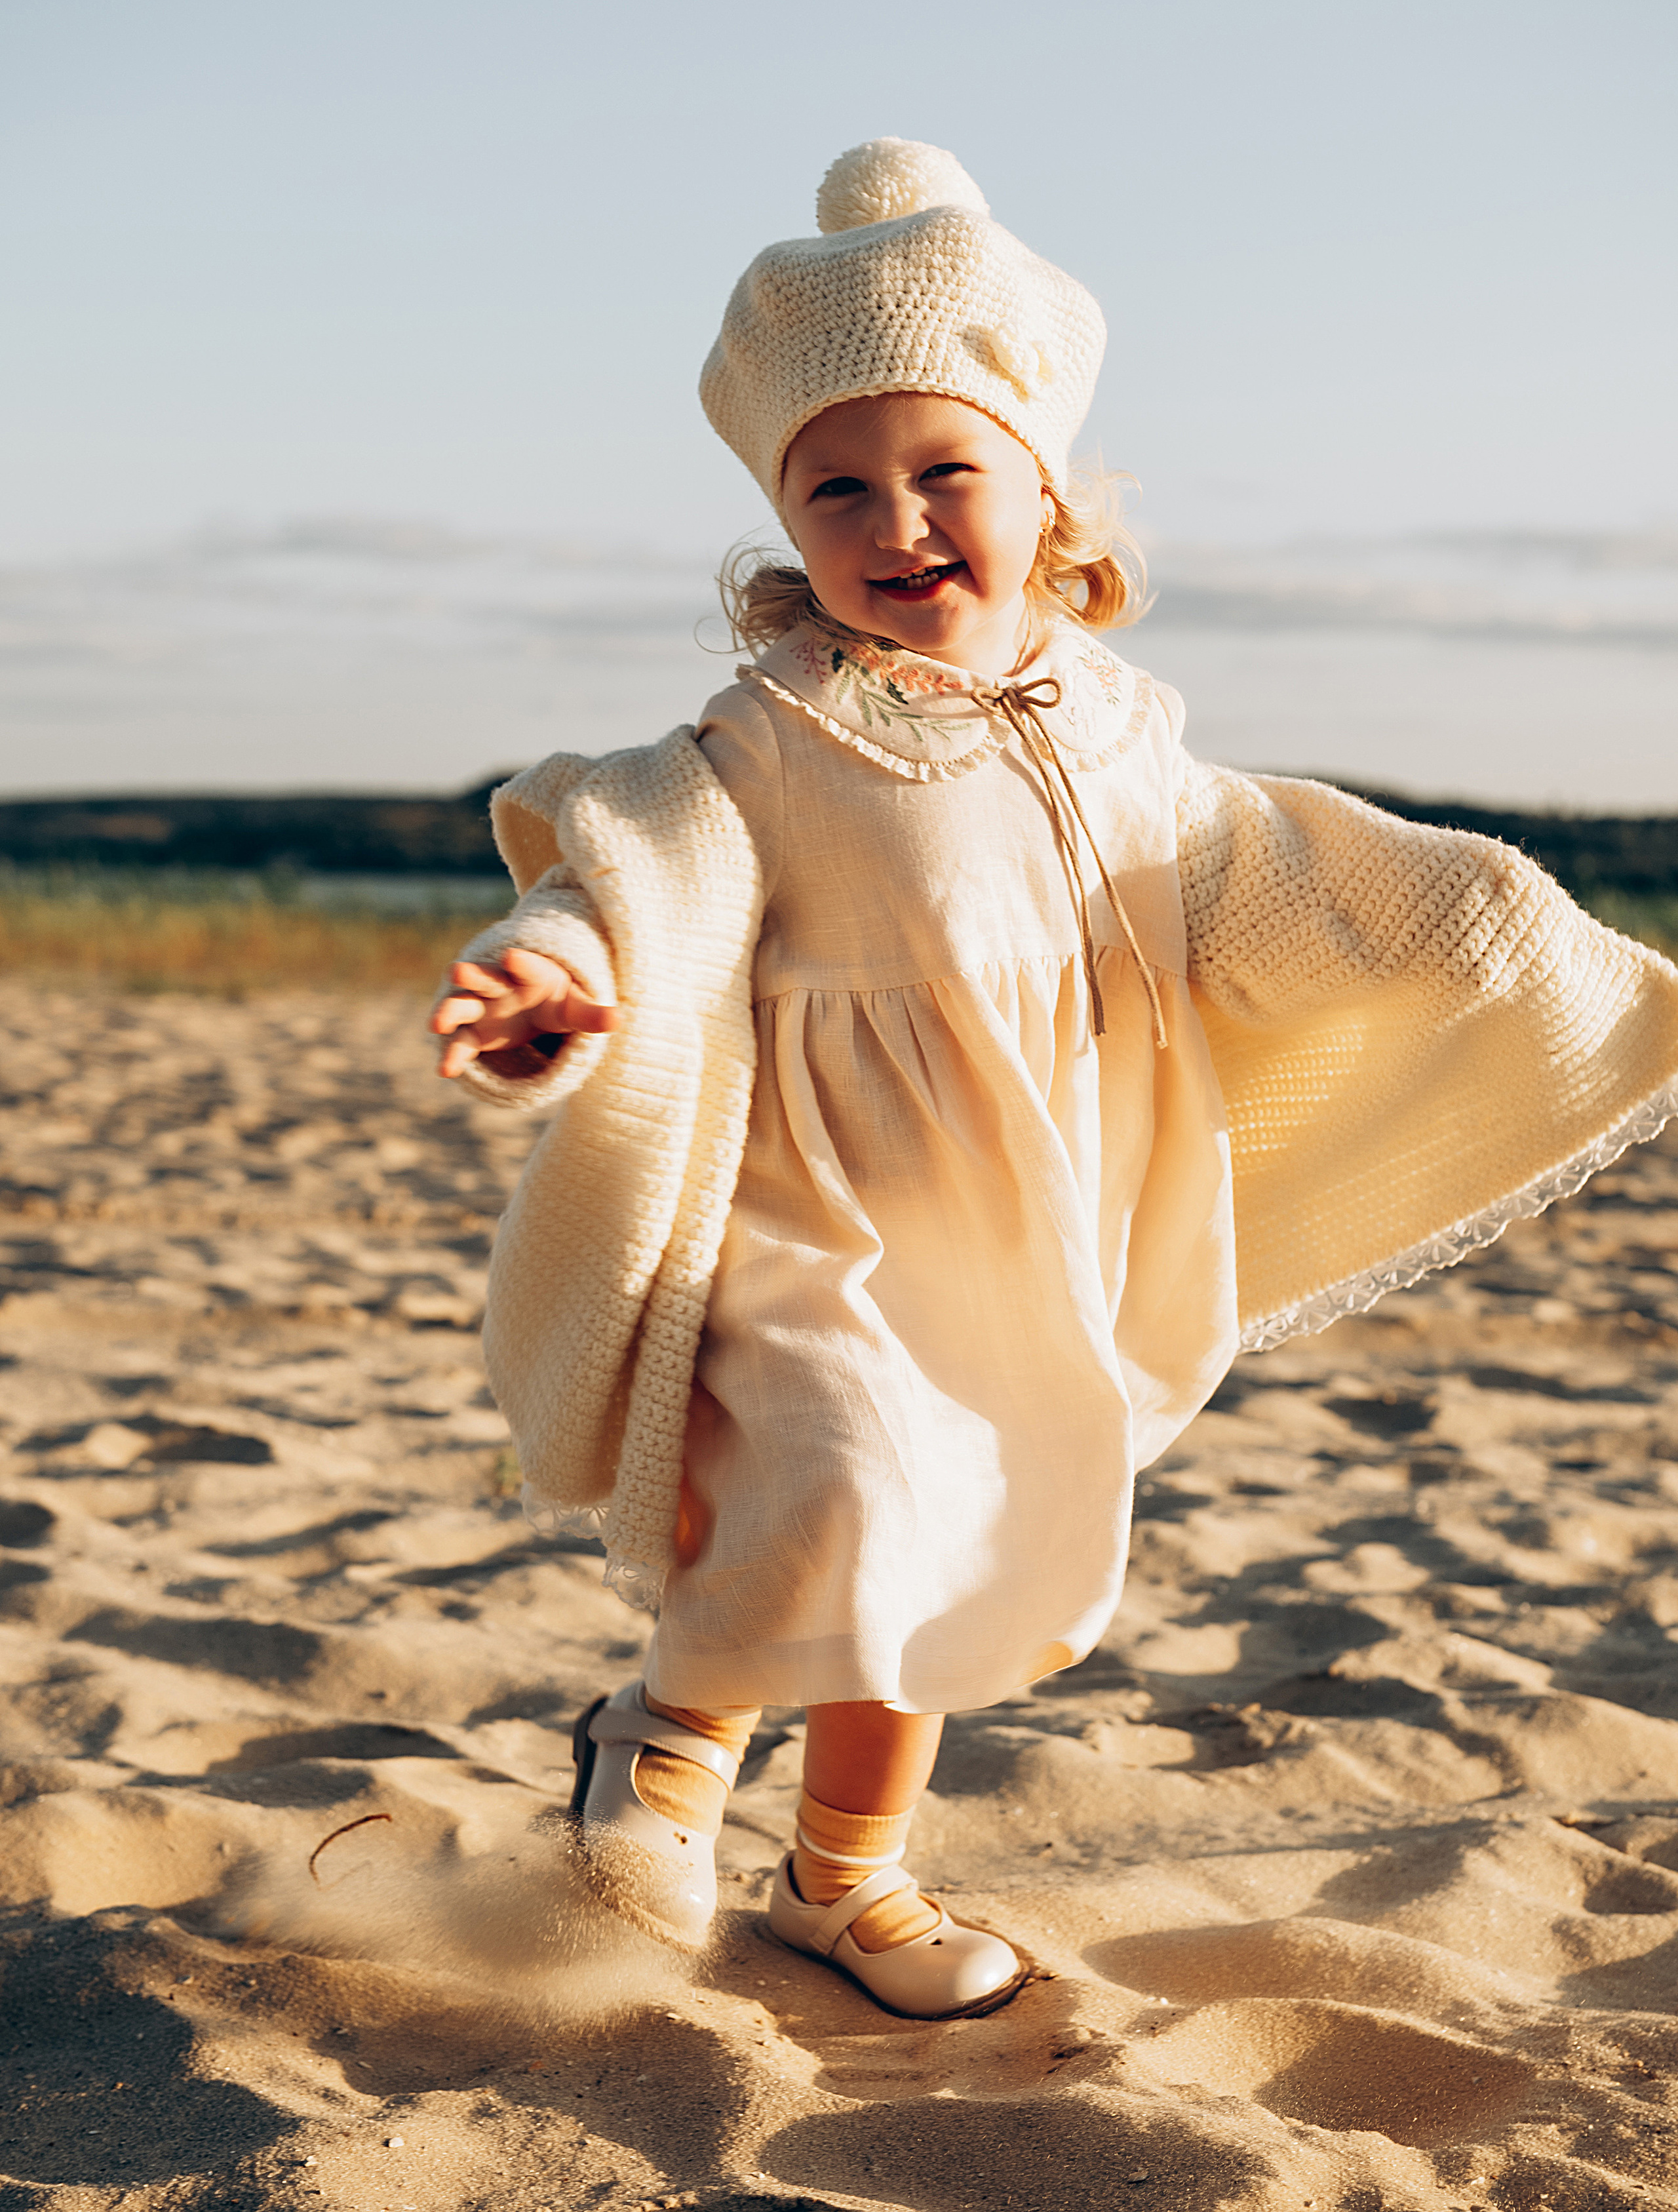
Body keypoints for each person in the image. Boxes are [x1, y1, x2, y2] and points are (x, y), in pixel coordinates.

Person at [429, 138, 1678, 2021]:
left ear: (1044, 487)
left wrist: (1504, 931)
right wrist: (562, 968)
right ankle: (666, 1743)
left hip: (1038, 1211)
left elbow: (1271, 876)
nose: (896, 518)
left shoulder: (1119, 723)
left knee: (944, 1538)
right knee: (839, 1476)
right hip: (820, 1200)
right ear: (785, 518)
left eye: (946, 471)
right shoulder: (772, 734)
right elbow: (636, 867)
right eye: (836, 484)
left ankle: (846, 1878)